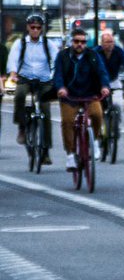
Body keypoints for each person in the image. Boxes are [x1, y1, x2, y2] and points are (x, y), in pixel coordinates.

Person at [53, 25, 110, 169]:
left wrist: (104, 86)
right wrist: (61, 88)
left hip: (90, 95)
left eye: (83, 42)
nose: (80, 44)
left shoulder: (93, 55)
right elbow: (58, 74)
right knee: (67, 122)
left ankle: (94, 141)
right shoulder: (63, 56)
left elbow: (102, 72)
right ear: (71, 42)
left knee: (97, 115)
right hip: (69, 97)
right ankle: (70, 155)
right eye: (76, 41)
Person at [7, 13, 58, 164]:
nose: (35, 30)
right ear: (28, 28)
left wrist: (56, 76)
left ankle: (46, 151)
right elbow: (13, 60)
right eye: (32, 27)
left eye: (38, 27)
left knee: (45, 111)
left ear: (42, 29)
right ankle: (22, 128)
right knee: (19, 95)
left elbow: (57, 60)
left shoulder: (48, 44)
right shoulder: (20, 43)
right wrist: (13, 74)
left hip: (44, 80)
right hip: (25, 78)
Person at [96, 28, 124, 147]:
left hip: (114, 81)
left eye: (112, 42)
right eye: (107, 42)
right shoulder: (95, 52)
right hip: (98, 83)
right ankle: (99, 130)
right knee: (98, 109)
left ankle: (115, 127)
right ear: (101, 43)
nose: (110, 45)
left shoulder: (119, 51)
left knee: (118, 105)